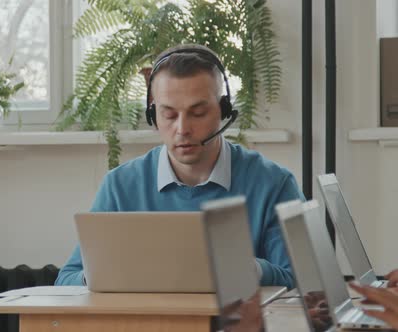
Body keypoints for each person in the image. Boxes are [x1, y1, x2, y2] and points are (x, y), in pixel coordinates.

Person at [54, 44, 304, 289]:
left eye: (198, 113)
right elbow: (67, 279)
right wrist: (99, 275)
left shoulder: (274, 184)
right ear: (153, 116)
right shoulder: (120, 185)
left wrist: (250, 269)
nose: (182, 129)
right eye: (169, 115)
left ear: (224, 110)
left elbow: (303, 282)